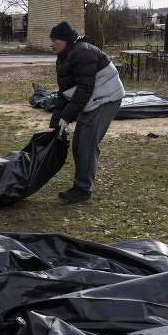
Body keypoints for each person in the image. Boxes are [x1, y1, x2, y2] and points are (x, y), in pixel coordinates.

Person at [48, 21, 125, 202]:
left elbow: (84, 90)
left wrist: (67, 117)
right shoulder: (64, 57)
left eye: (54, 40)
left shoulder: (83, 53)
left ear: (66, 40)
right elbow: (64, 92)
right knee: (78, 145)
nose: (51, 44)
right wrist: (56, 124)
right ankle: (80, 183)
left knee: (87, 144)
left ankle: (83, 189)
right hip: (93, 100)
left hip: (106, 98)